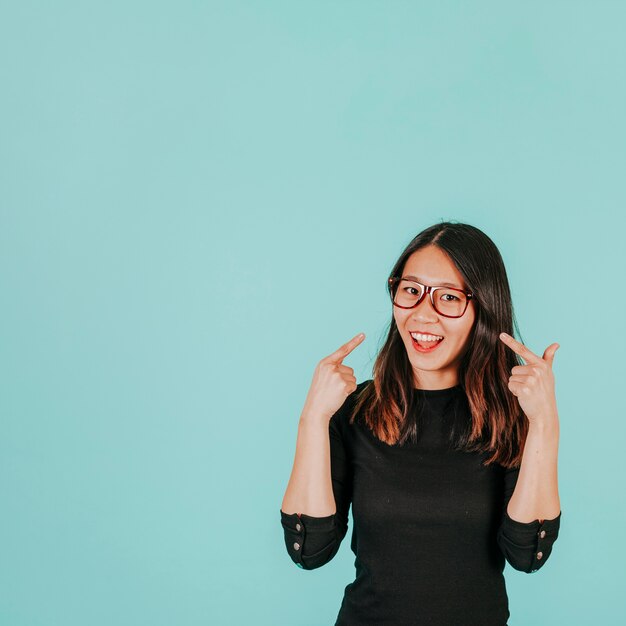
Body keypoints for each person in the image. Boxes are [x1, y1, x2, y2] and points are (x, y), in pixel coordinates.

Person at [279, 221, 562, 626]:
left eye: (448, 297)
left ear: (482, 308)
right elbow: (308, 550)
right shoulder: (354, 411)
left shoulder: (513, 416)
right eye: (411, 290)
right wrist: (312, 419)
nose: (423, 315)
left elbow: (526, 555)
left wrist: (545, 423)